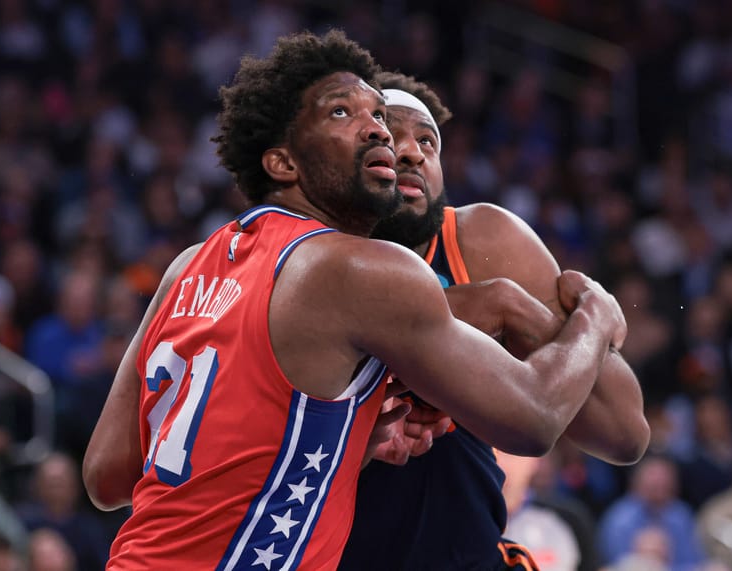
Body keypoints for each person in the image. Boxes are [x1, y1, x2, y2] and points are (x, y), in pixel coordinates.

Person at [83, 30, 627, 569]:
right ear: (282, 163)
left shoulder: (188, 266)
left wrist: (344, 444)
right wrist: (596, 314)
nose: (379, 133)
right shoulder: (355, 268)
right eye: (342, 113)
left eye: (376, 115)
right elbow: (533, 418)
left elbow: (107, 475)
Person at [339, 71, 649, 570]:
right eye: (389, 134)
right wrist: (492, 309)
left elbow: (624, 431)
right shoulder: (306, 250)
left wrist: (578, 316)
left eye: (427, 141)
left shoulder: (481, 239)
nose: (413, 152)